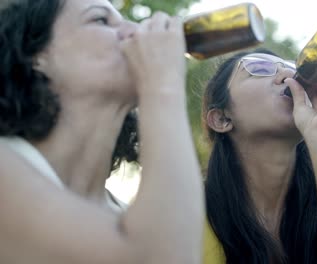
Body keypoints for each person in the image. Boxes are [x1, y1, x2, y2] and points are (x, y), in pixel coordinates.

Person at [0, 0, 204, 263]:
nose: (134, 30)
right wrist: (163, 85)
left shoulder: (129, 217)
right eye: (101, 20)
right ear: (36, 55)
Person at [202, 48, 317, 263]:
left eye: (293, 69)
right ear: (221, 119)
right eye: (259, 69)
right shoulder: (187, 212)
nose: (288, 76)